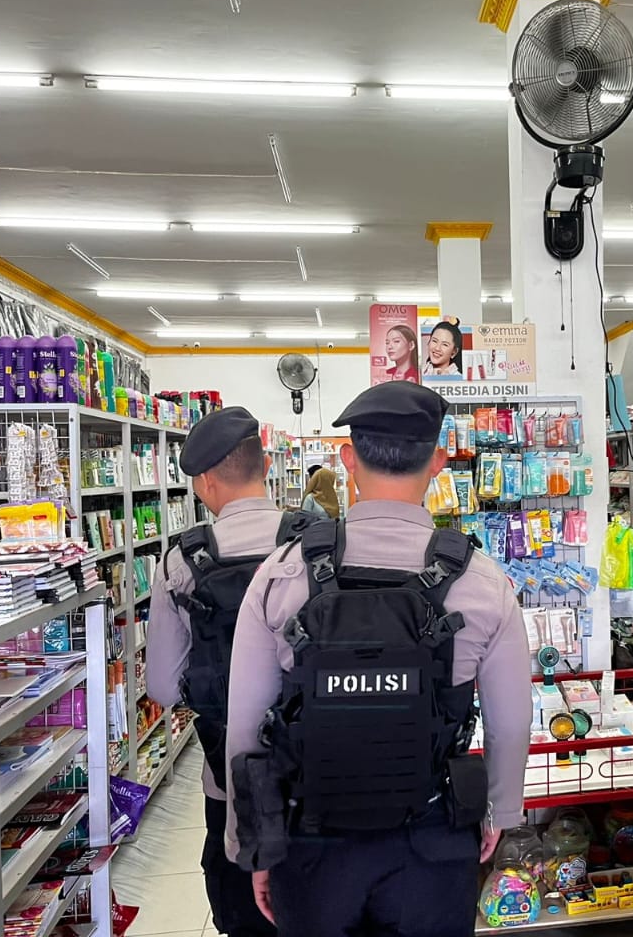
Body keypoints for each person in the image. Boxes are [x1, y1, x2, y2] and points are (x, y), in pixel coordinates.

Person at [225, 381, 531, 937]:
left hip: (310, 844)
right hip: (433, 840)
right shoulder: (482, 582)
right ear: (438, 462)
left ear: (348, 459)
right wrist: (500, 811)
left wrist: (253, 843)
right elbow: (510, 721)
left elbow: (245, 725)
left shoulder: (282, 572)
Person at [148, 406, 308, 937]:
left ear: (204, 482)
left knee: (243, 914)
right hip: (319, 776)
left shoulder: (181, 561)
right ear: (266, 465)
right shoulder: (320, 544)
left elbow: (162, 686)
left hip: (231, 782)